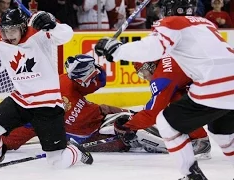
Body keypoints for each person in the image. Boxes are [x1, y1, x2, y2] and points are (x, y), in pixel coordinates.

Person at [94, 0, 234, 179]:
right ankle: (201, 137)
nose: (144, 75)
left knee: (166, 123)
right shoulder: (205, 23)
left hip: (215, 83)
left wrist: (117, 50)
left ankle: (190, 175)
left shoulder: (171, 25)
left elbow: (152, 48)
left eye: (144, 70)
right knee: (221, 133)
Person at [0, 6, 93, 168]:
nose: (7, 37)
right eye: (4, 31)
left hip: (47, 104)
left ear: (23, 28)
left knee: (57, 163)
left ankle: (76, 151)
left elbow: (66, 35)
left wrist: (53, 25)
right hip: (21, 99)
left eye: (12, 31)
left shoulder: (38, 34)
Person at [0, 54, 166, 153]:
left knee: (127, 125)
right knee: (129, 133)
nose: (97, 78)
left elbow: (102, 103)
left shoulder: (70, 82)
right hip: (86, 137)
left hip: (89, 129)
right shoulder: (56, 95)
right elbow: (30, 125)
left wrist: (128, 113)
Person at [114, 57, 211, 158]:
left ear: (150, 66)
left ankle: (201, 142)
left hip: (217, 88)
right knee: (176, 99)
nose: (145, 78)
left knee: (175, 111)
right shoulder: (166, 59)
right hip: (216, 78)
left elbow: (152, 113)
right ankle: (200, 139)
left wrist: (128, 126)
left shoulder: (162, 78)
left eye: (143, 73)